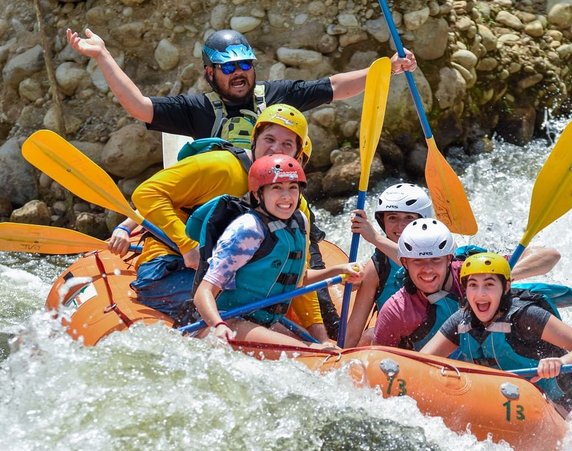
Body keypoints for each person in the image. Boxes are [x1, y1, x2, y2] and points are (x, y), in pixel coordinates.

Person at [126, 104, 329, 340]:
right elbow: (146, 193)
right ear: (254, 140)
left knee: (290, 334)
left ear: (297, 154)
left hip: (230, 278)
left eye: (287, 144)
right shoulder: (220, 166)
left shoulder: (291, 205)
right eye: (269, 139)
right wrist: (186, 244)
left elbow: (293, 271)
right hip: (169, 267)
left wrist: (321, 336)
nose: (275, 149)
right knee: (235, 319)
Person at [66, 28, 417, 145]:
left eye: (245, 65)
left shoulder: (276, 94)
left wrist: (388, 69)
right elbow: (140, 107)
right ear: (210, 74)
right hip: (225, 204)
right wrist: (102, 56)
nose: (239, 73)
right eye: (229, 67)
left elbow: (335, 86)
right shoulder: (197, 110)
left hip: (277, 199)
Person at [192, 154, 361, 347]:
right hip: (230, 322)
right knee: (311, 351)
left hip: (265, 323)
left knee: (321, 347)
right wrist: (218, 325)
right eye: (277, 188)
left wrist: (338, 271)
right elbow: (203, 292)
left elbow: (298, 280)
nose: (287, 196)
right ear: (258, 194)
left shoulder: (299, 222)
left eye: (292, 188)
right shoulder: (248, 229)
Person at [420, 252, 572, 414]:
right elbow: (420, 361)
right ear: (465, 290)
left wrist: (561, 362)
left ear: (505, 288)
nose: (480, 294)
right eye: (473, 285)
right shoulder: (461, 321)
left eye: (489, 284)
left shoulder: (526, 316)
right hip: (507, 401)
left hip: (562, 403)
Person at [372, 218, 561, 351]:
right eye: (418, 262)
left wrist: (499, 278)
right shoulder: (396, 311)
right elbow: (378, 361)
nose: (427, 270)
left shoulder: (473, 274)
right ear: (405, 263)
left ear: (448, 258)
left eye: (435, 260)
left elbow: (550, 255)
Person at [343, 183, 433, 347]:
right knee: (369, 336)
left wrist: (375, 238)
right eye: (392, 217)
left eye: (409, 218)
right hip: (396, 345)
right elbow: (353, 332)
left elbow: (418, 262)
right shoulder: (378, 266)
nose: (400, 226)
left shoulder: (442, 254)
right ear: (382, 221)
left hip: (438, 345)